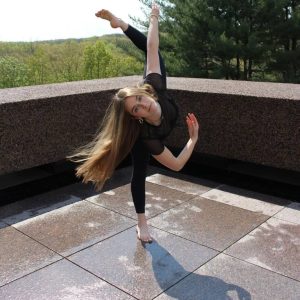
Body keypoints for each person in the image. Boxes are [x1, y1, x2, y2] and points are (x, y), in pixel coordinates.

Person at [69, 2, 199, 243]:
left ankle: (121, 24)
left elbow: (151, 45)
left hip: (154, 86)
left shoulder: (153, 87)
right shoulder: (147, 136)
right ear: (136, 116)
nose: (143, 105)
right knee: (139, 172)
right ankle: (141, 223)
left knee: (155, 54)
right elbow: (178, 164)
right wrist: (193, 139)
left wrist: (154, 15)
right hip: (146, 136)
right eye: (136, 108)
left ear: (144, 93)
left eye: (140, 99)